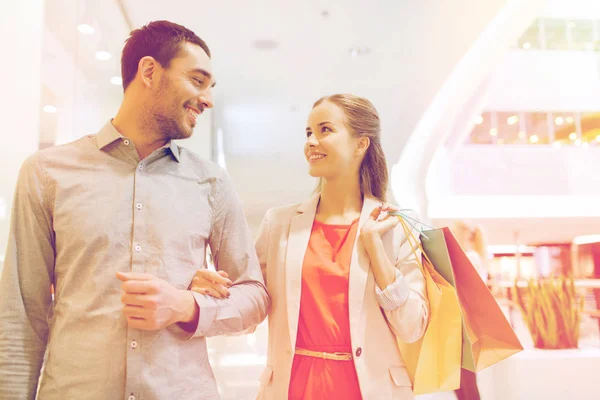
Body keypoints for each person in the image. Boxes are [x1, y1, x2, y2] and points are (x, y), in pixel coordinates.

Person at [0, 20, 269, 400]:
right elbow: (21, 317)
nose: (207, 99)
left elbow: (254, 296)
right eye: (197, 80)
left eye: (210, 87)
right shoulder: (46, 173)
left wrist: (185, 305)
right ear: (148, 71)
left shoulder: (211, 183)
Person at [192, 94, 429, 399]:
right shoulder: (279, 224)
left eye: (325, 130)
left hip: (372, 390)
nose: (311, 142)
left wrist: (376, 251)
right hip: (294, 387)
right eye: (308, 133)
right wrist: (212, 292)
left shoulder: (395, 227)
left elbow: (412, 328)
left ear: (361, 144)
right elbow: (248, 310)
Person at [451, 220, 489, 400]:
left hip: (464, 325)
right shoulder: (476, 257)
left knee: (465, 375)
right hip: (465, 324)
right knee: (462, 374)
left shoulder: (471, 258)